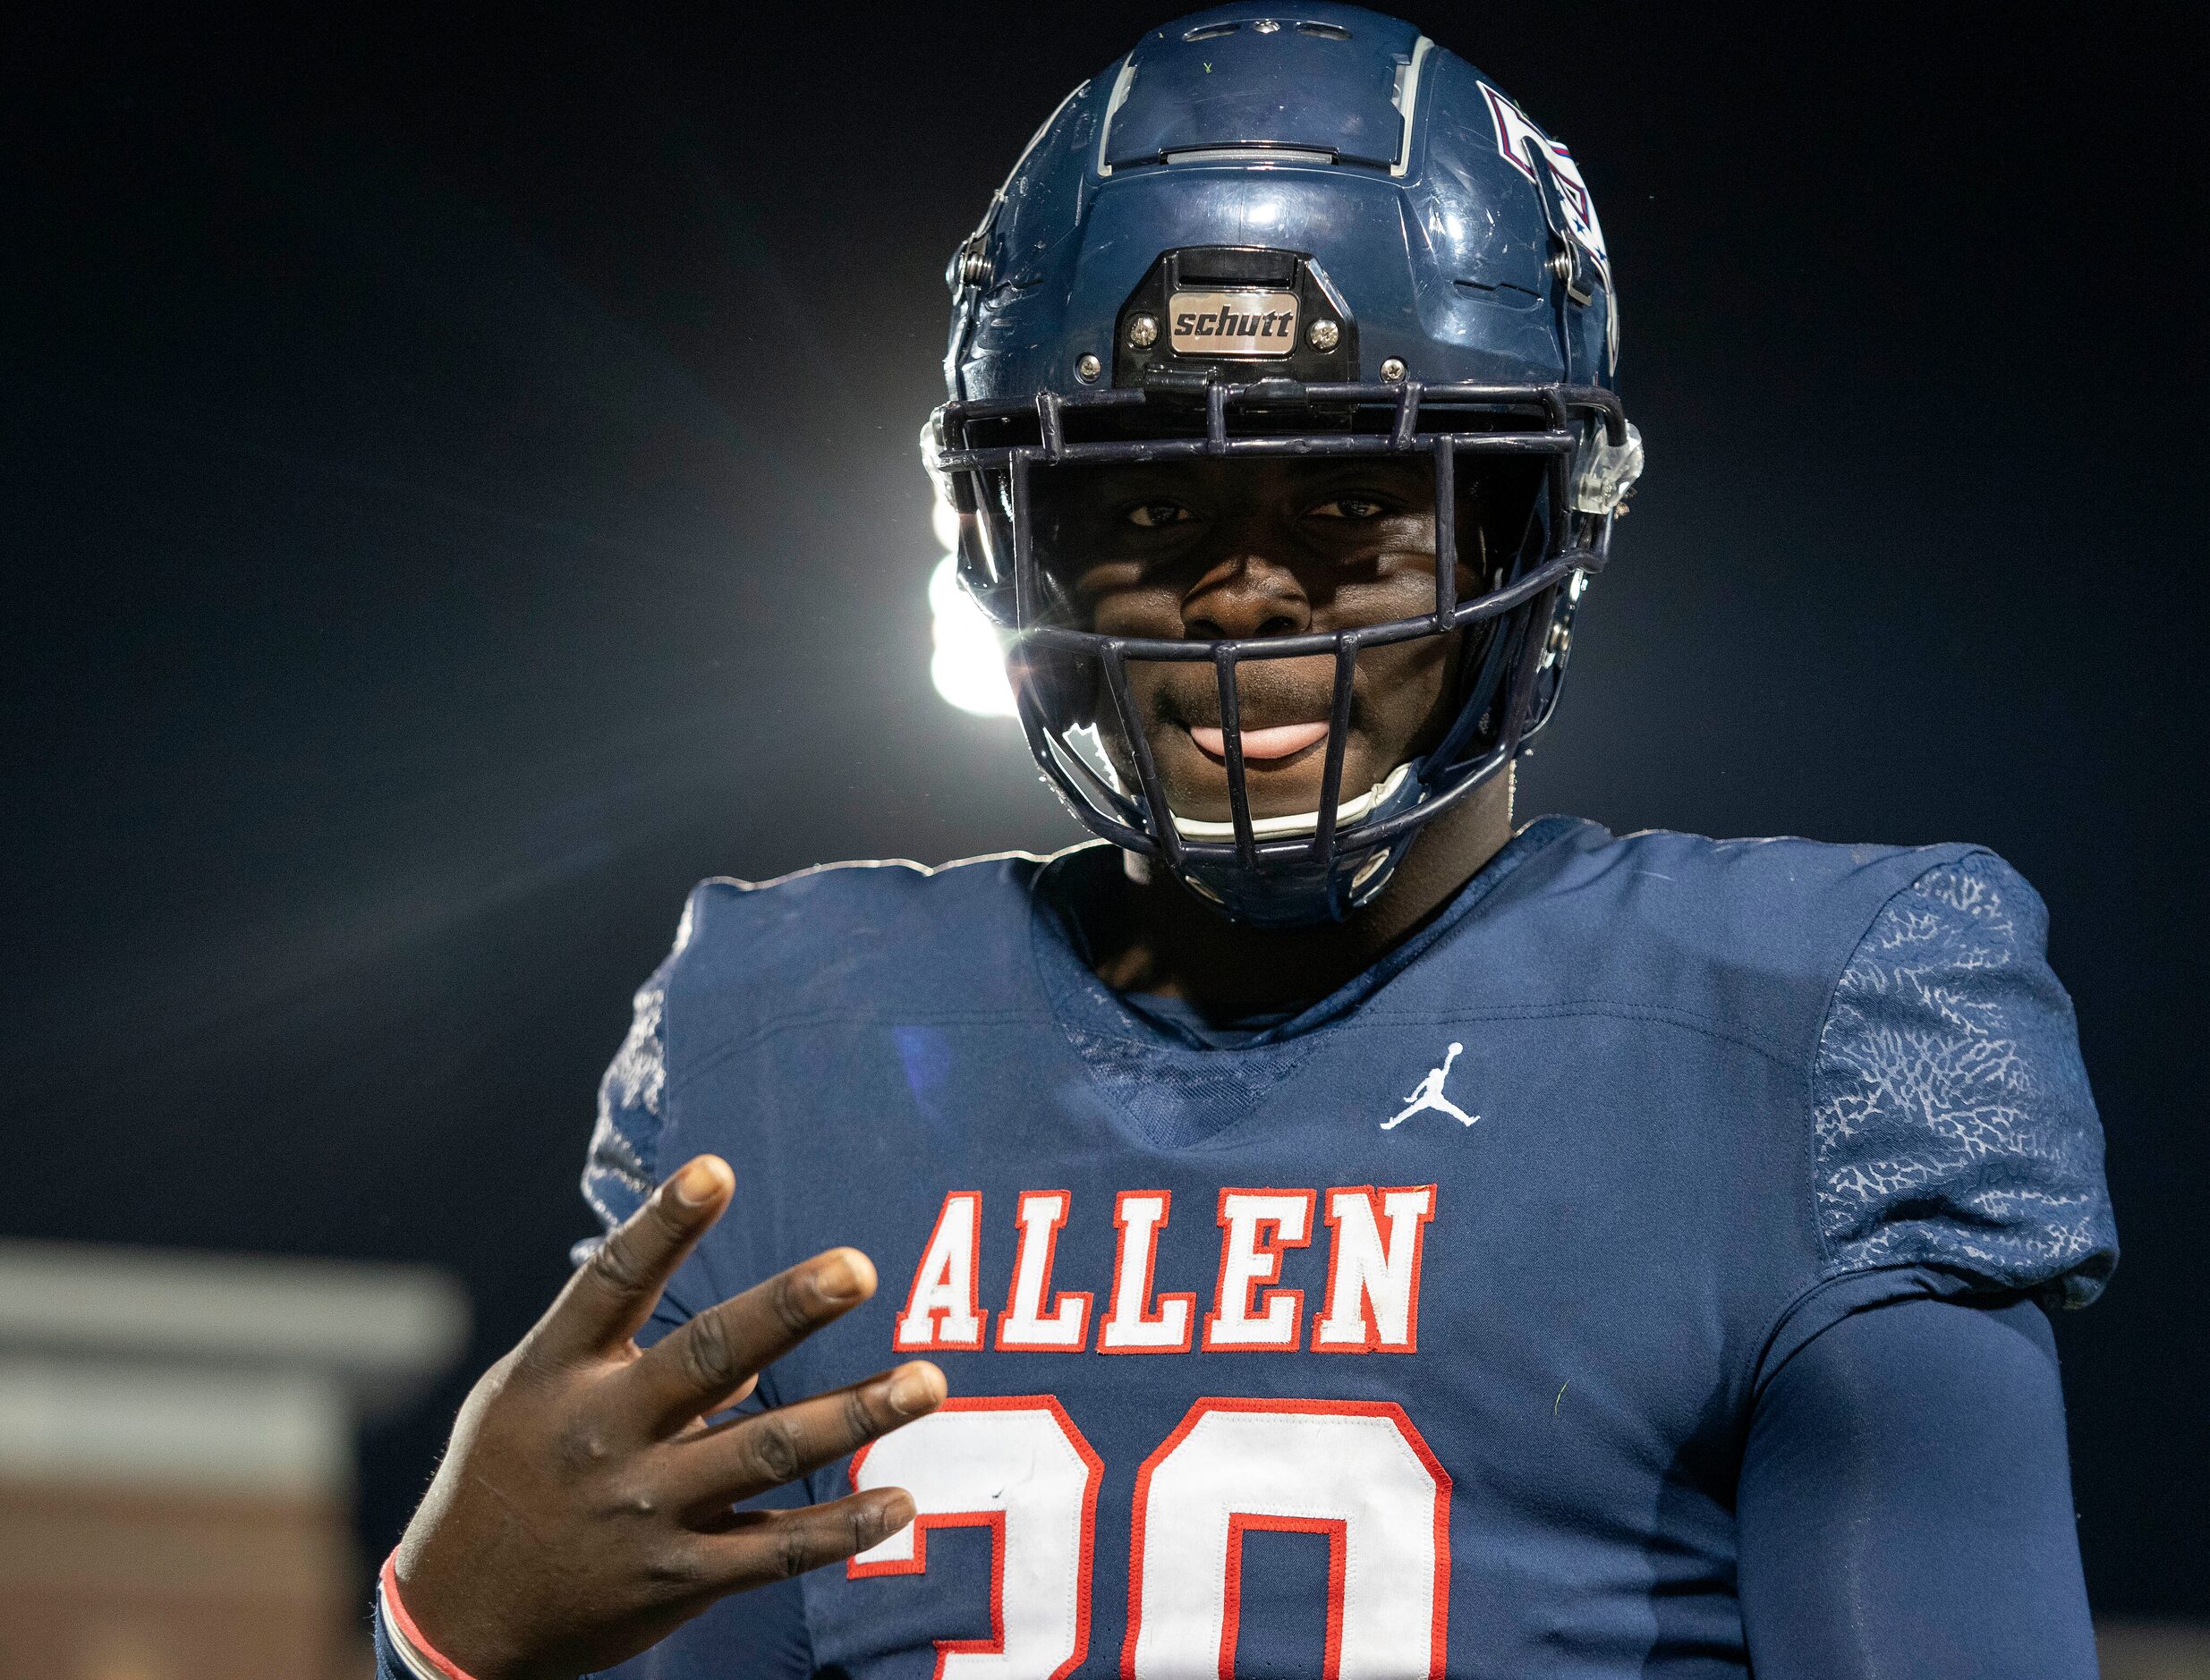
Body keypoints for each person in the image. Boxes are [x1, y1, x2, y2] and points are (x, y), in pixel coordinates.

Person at [373, 6, 2118, 1677]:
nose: (1237, 595)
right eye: (1143, 506)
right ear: (1019, 551)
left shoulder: (1803, 1022)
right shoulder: (789, 1039)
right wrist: (443, 1651)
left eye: (1354, 501)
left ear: (1523, 526)